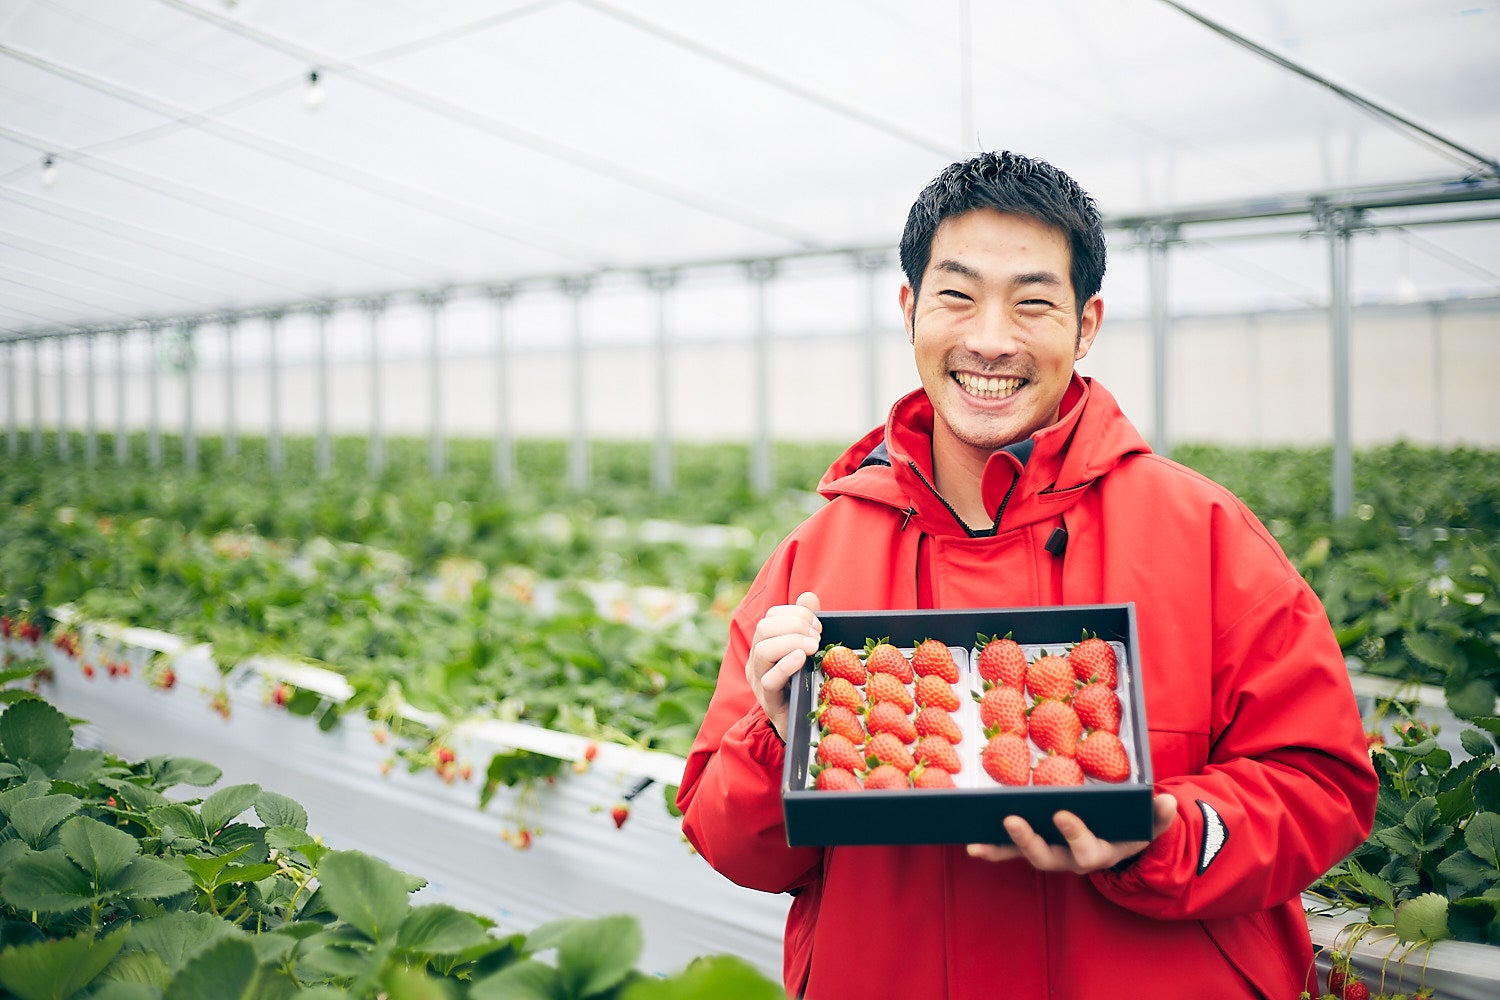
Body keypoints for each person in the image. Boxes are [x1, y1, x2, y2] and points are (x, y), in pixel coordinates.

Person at [675, 151, 1378, 999]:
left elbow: (1323, 785)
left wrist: (1169, 834)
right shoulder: (814, 561)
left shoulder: (1205, 535)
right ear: (909, 310)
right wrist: (781, 737)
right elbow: (727, 842)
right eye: (957, 296)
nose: (991, 339)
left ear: (1086, 325)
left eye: (1033, 302)